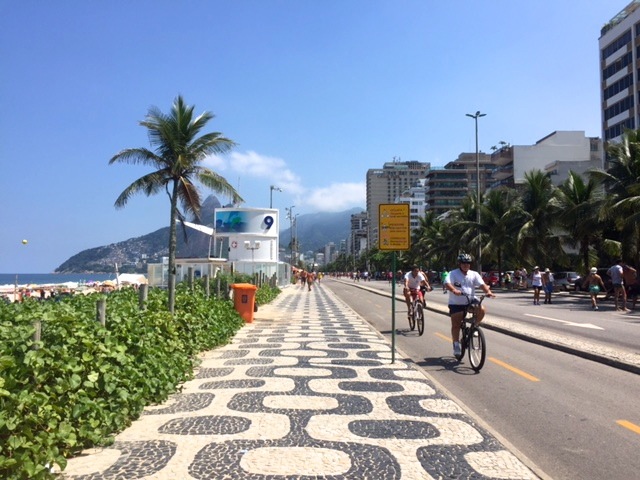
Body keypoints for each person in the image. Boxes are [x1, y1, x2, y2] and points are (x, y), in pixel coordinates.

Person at [444, 253, 495, 357]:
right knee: (456, 324)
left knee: (482, 309)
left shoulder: (474, 274)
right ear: (459, 264)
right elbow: (447, 283)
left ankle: (474, 326)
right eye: (463, 263)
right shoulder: (453, 273)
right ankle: (456, 344)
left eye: (468, 263)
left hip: (470, 300)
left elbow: (482, 284)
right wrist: (454, 290)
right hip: (456, 303)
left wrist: (488, 292)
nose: (465, 265)